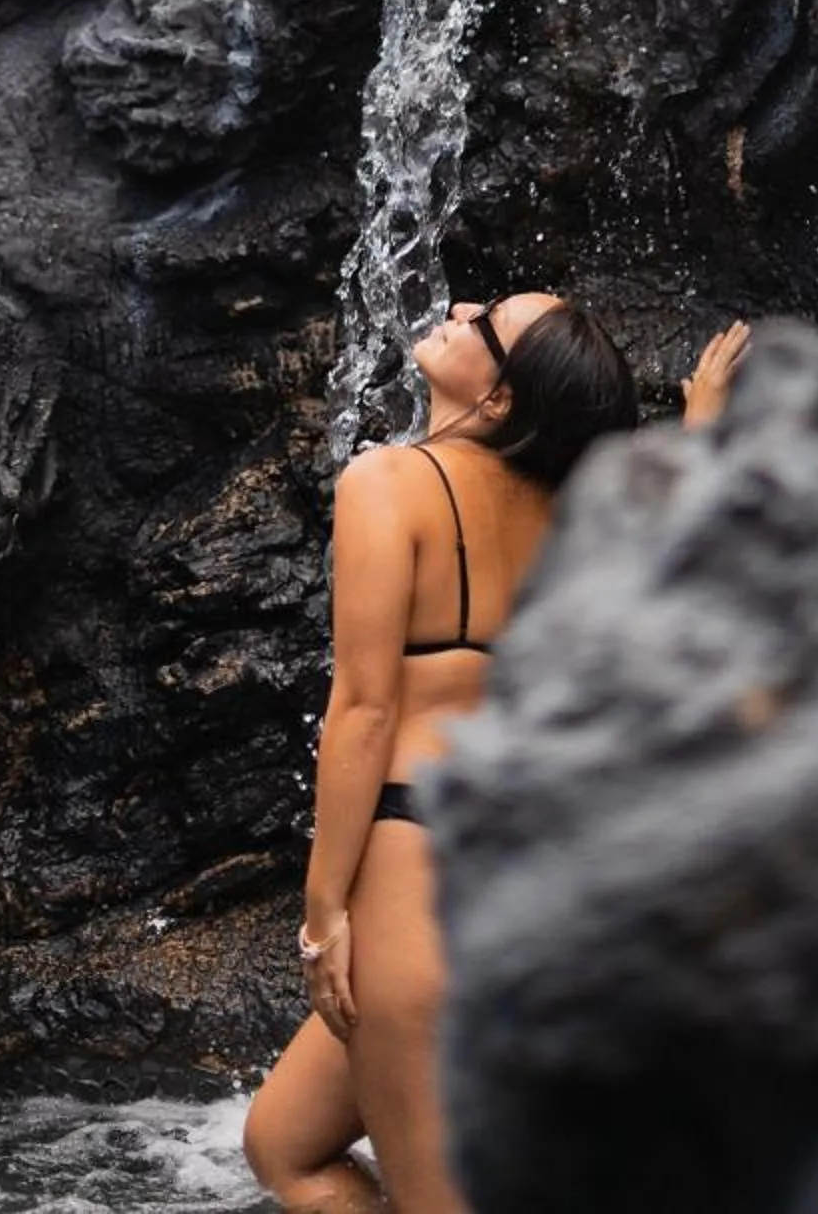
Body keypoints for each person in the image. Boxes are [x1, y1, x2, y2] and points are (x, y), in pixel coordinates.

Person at [244, 300, 751, 1214]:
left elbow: (362, 712)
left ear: (503, 398)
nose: (460, 308)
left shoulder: (389, 484)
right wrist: (704, 419)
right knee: (284, 1144)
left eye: (486, 325)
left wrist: (322, 916)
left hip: (417, 876)